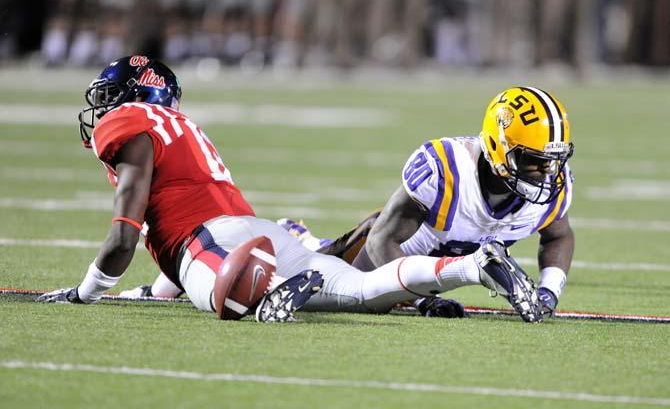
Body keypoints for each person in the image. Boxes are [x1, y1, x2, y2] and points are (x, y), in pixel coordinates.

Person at [37, 56, 542, 322]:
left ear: (133, 97)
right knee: (365, 290)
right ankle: (474, 266)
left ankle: (275, 291)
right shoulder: (182, 129)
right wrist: (147, 291)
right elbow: (174, 258)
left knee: (221, 299)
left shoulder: (131, 122)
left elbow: (126, 236)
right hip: (251, 233)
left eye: (109, 100)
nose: (102, 113)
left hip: (216, 243)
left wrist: (86, 294)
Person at [290, 86, 575, 320]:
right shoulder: (447, 168)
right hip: (385, 256)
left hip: (435, 269)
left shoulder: (551, 185)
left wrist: (548, 292)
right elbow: (380, 241)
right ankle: (298, 238)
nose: (547, 172)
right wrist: (420, 300)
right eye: (533, 160)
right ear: (497, 148)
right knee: (338, 287)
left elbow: (558, 235)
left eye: (553, 160)